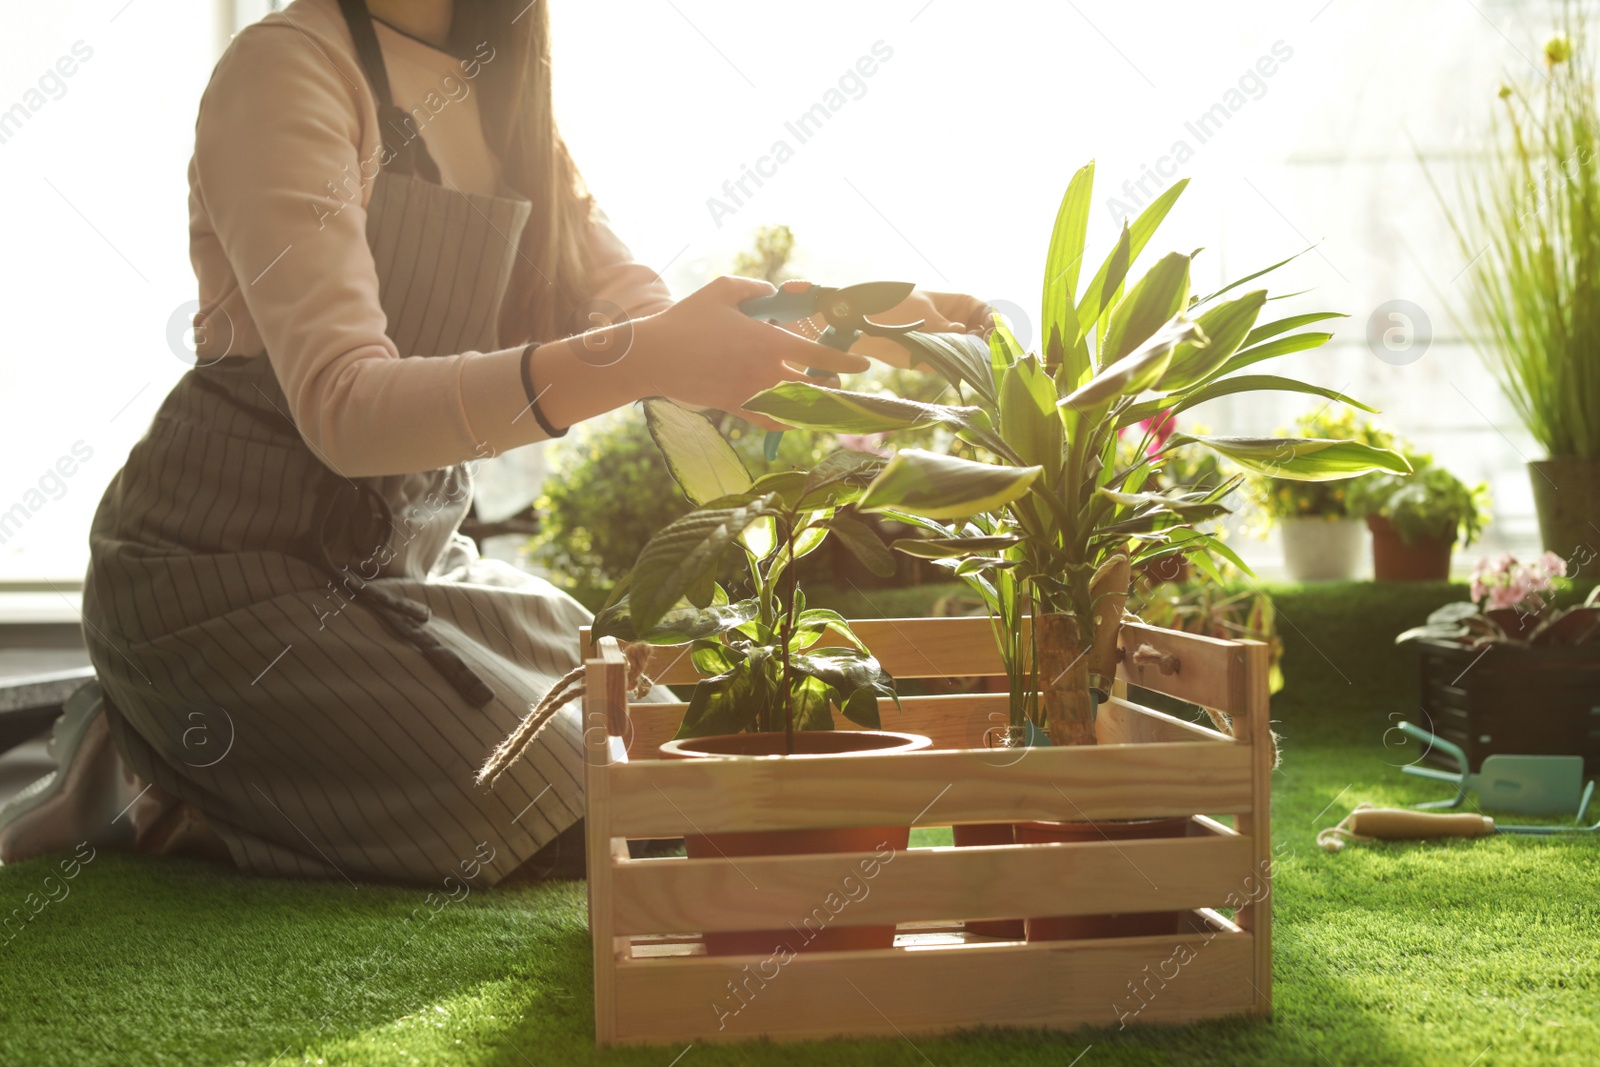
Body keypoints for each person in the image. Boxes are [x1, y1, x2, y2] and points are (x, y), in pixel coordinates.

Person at [0, 0, 988, 884]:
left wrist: (817, 317)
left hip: (407, 556)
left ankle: (199, 754)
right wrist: (648, 354)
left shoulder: (510, 93)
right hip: (223, 572)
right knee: (568, 800)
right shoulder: (286, 70)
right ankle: (145, 761)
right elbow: (347, 409)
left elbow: (629, 304)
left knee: (632, 707)